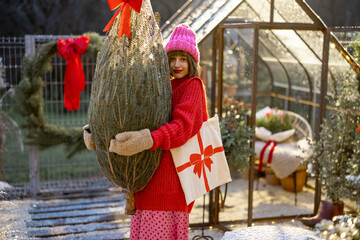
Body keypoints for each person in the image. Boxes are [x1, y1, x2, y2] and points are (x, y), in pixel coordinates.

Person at [108, 24, 208, 240]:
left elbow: (182, 128)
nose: (177, 64)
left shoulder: (193, 85)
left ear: (192, 61)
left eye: (182, 58)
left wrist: (148, 139)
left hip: (172, 180)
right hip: (150, 175)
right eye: (172, 58)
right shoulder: (164, 86)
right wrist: (101, 132)